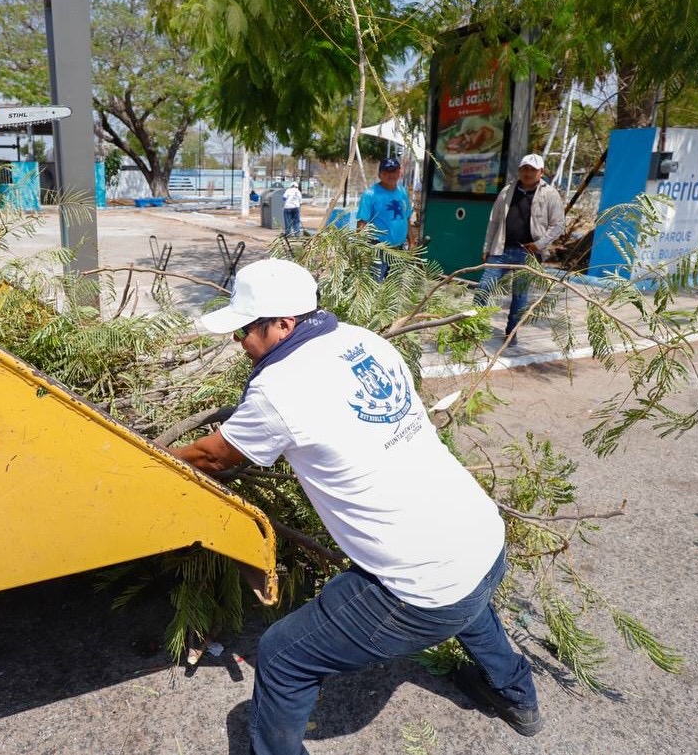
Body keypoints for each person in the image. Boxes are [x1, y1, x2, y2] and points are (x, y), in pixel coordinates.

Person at [172, 258, 541, 755]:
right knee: (464, 588)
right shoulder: (366, 341)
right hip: (485, 539)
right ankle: (517, 696)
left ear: (283, 324)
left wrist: (147, 457)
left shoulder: (277, 390)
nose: (240, 343)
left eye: (245, 330)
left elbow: (212, 457)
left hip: (421, 592)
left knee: (282, 656)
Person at [475, 153, 565, 345]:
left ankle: (511, 333)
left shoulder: (550, 194)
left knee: (520, 296)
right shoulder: (507, 191)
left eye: (532, 169)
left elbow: (558, 225)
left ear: (541, 172)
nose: (528, 173)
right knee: (483, 288)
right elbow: (494, 221)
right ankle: (474, 327)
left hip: (529, 254)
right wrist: (486, 247)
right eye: (525, 169)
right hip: (501, 250)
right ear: (519, 170)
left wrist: (539, 244)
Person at [355, 158, 414, 280]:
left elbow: (406, 218)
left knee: (396, 285)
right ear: (380, 174)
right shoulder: (370, 195)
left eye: (394, 171)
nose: (390, 175)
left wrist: (412, 242)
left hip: (399, 249)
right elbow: (361, 224)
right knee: (376, 285)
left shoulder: (402, 192)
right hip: (378, 250)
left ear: (399, 172)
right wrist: (361, 250)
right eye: (386, 171)